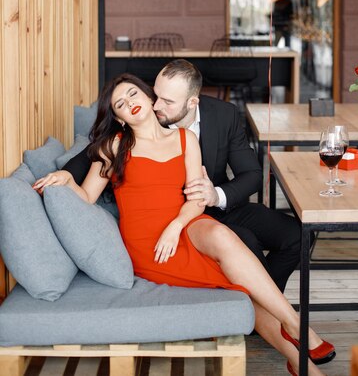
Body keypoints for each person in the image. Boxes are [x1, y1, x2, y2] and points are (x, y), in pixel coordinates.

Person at [33, 73, 334, 375]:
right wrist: (67, 180)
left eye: (133, 94)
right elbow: (86, 196)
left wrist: (176, 226)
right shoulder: (115, 145)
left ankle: (295, 326)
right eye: (121, 104)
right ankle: (301, 354)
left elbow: (196, 199)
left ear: (150, 98)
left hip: (184, 224)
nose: (130, 103)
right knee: (239, 289)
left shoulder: (185, 139)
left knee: (219, 234)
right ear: (120, 118)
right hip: (149, 244)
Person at [64, 59, 301, 294]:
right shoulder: (143, 116)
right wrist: (65, 174)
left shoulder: (224, 115)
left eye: (167, 101)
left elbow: (252, 174)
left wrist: (215, 195)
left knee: (297, 236)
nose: (156, 105)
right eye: (155, 94)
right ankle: (261, 310)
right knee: (246, 242)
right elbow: (93, 155)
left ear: (192, 102)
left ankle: (265, 303)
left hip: (215, 205)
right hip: (174, 217)